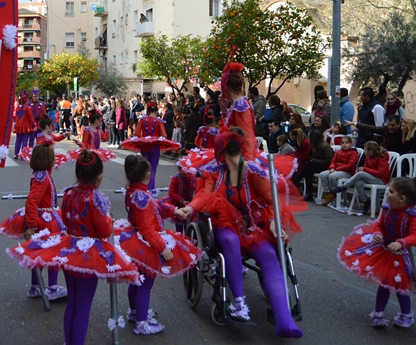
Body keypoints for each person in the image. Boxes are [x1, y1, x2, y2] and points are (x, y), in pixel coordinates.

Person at [176, 130, 305, 338]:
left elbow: (272, 201)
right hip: (224, 225)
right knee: (230, 240)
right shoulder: (214, 173)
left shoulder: (253, 172)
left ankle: (283, 317)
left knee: (270, 254)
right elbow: (205, 196)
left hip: (252, 226)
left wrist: (273, 221)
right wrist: (190, 208)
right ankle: (238, 303)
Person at [6, 150, 139, 345]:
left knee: (73, 304)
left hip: (69, 251)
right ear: (100, 176)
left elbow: (65, 217)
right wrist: (108, 220)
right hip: (89, 254)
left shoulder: (68, 193)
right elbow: (103, 231)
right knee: (83, 306)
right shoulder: (97, 199)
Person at [338, 177, 416, 328]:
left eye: (390, 191)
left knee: (400, 286)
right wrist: (378, 234)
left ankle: (405, 315)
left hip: (404, 254)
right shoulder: (387, 208)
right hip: (385, 251)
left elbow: (415, 236)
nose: (387, 194)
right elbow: (379, 224)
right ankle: (378, 314)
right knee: (384, 284)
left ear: (402, 198)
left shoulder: (412, 214)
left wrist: (400, 243)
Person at [116, 154, 200, 335]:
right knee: (145, 284)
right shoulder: (142, 196)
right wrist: (162, 248)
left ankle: (135, 312)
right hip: (147, 243)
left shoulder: (134, 191)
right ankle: (142, 322)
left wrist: (173, 209)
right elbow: (147, 228)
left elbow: (156, 206)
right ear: (147, 175)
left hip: (136, 240)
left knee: (137, 281)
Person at [0, 144, 67, 300]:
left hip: (45, 216)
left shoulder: (41, 174)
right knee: (52, 252)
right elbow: (32, 201)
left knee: (39, 253)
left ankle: (36, 287)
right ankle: (52, 288)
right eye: (52, 157)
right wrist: (33, 225)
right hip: (45, 220)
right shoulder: (42, 177)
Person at [121, 105, 178, 195]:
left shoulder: (142, 120)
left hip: (144, 146)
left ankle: (144, 188)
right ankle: (150, 190)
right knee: (153, 169)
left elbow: (136, 133)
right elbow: (164, 135)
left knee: (145, 168)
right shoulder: (159, 121)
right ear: (156, 111)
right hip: (154, 147)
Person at [332, 141, 390, 212]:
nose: (364, 151)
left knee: (361, 174)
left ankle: (345, 186)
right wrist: (363, 169)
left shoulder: (381, 159)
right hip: (372, 177)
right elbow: (366, 168)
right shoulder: (368, 157)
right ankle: (366, 201)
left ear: (370, 151)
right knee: (358, 183)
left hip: (381, 180)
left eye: (365, 150)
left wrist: (364, 169)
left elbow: (380, 173)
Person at [292, 130, 333, 202]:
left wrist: (314, 160)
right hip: (316, 164)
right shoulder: (314, 146)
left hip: (325, 166)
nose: (308, 138)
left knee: (308, 164)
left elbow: (328, 161)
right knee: (309, 171)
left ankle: (296, 181)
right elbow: (309, 156)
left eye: (309, 137)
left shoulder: (325, 146)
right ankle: (309, 194)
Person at [318, 136, 359, 206]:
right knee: (322, 175)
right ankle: (328, 193)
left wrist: (337, 169)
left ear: (350, 144)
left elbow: (350, 165)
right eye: (342, 143)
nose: (344, 144)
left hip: (347, 172)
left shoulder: (353, 153)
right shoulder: (339, 152)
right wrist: (332, 168)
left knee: (332, 176)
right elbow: (333, 161)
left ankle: (333, 192)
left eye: (347, 143)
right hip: (335, 169)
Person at [13, 90, 36, 159]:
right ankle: (23, 154)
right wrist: (34, 125)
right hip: (26, 127)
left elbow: (15, 117)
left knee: (18, 140)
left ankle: (16, 154)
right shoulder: (27, 108)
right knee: (24, 141)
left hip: (18, 126)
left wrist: (15, 124)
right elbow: (30, 118)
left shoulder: (17, 107)